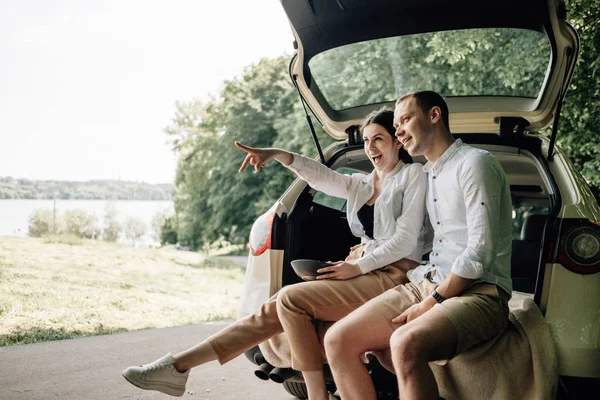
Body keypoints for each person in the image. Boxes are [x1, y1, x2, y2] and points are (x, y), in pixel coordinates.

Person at [121, 109, 428, 399]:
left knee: (289, 300)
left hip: (394, 276)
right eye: (366, 140)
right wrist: (280, 155)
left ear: (397, 141)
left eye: (378, 139)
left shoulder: (412, 176)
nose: (370, 147)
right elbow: (319, 176)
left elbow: (404, 240)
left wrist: (357, 266)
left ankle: (317, 396)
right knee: (273, 307)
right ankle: (177, 366)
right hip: (363, 270)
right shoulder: (360, 184)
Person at [324, 91, 513, 400]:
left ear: (434, 115)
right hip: (428, 280)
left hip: (481, 292)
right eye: (396, 124)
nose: (398, 131)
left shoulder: (475, 164)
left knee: (404, 342)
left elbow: (479, 253)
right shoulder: (426, 174)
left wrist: (432, 301)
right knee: (337, 340)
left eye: (406, 120)